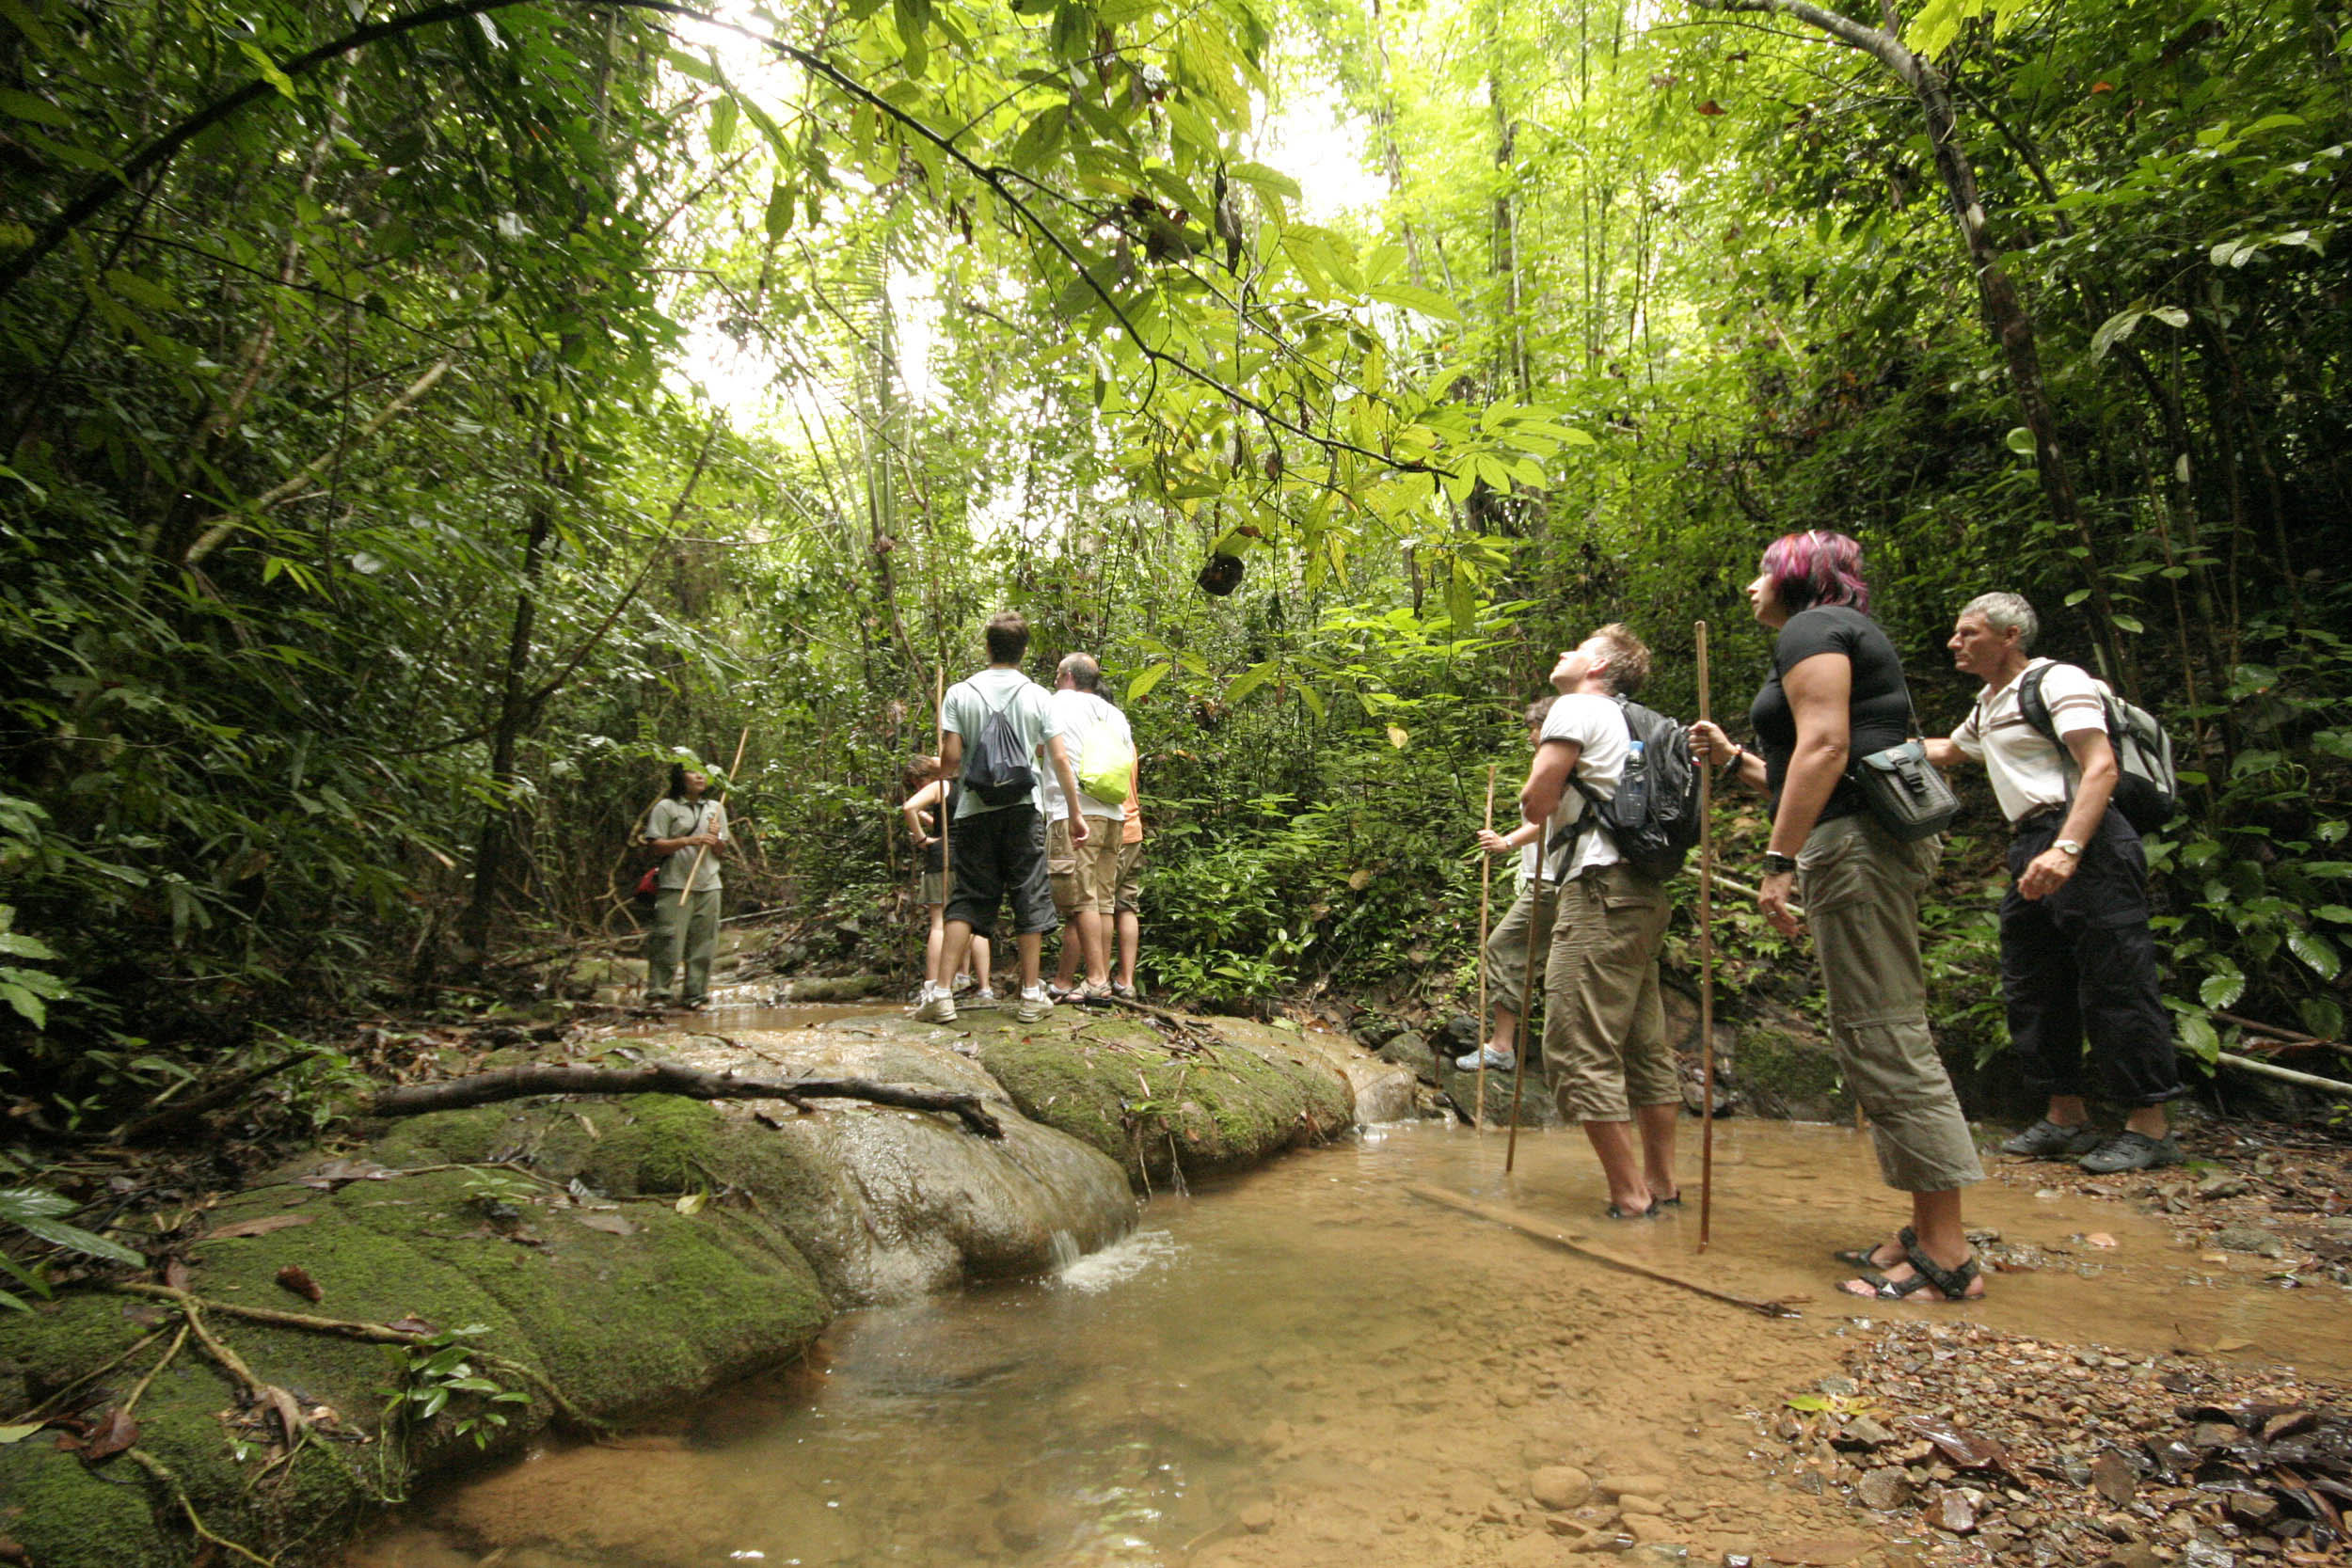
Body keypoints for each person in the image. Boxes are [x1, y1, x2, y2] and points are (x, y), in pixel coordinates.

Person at [1691, 531, 1986, 1301]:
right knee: (1875, 1031)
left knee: (1885, 1032)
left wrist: (1777, 863)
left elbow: (1825, 749)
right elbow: (1804, 770)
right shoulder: (1825, 632)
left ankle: (1948, 1256)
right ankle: (1925, 1227)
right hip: (1860, 838)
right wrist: (1733, 759)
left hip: (1855, 848)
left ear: (1794, 576)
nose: (1752, 586)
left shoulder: (1811, 627)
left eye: (1762, 571)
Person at [1923, 593, 2184, 1171]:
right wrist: (1862, 747)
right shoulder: (1991, 702)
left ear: (2010, 635)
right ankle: (2066, 1117)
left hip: (2086, 839)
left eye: (1968, 633)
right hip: (2029, 845)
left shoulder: (2058, 681)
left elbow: (2101, 766)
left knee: (2117, 978)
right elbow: (1950, 749)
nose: (1954, 642)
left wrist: (2069, 847)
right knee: (2033, 981)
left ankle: (2151, 1126)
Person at [1516, 626, 1682, 1220]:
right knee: (1642, 1043)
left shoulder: (1576, 707)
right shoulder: (1648, 721)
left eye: (1577, 647)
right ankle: (1661, 1183)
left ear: (1601, 665)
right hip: (1644, 892)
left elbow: (1538, 801)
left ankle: (1629, 1194)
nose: (1563, 653)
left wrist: (1531, 801)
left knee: (1575, 1041)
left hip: (1599, 890)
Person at [919, 611, 1089, 1025]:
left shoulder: (960, 692)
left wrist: (940, 769)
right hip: (1023, 809)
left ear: (988, 645)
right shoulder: (1037, 696)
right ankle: (1031, 995)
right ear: (1024, 650)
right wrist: (1075, 813)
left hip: (974, 811)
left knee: (967, 897)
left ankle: (941, 995)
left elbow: (953, 760)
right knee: (1029, 894)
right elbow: (1060, 758)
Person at [1458, 695, 1561, 1074]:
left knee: (1504, 948)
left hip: (1551, 882)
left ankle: (1502, 1046)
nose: (1530, 736)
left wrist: (1507, 842)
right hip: (1550, 879)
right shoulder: (1557, 760)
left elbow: (1549, 819)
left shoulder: (1563, 761)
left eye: (1533, 728)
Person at [1041, 653, 1134, 1002]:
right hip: (1112, 815)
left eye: (1056, 673)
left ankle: (1096, 981)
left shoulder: (1057, 704)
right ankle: (1100, 978)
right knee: (1104, 901)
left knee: (1082, 900)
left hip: (1075, 812)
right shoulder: (1115, 714)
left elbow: (1041, 748)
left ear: (1066, 676)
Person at [902, 756, 993, 1011]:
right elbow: (952, 823)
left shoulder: (939, 786)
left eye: (917, 781)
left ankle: (932, 986)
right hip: (970, 857)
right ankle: (984, 987)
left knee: (940, 923)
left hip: (943, 858)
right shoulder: (966, 784)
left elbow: (908, 807)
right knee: (973, 923)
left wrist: (921, 839)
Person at [642, 761, 729, 1010]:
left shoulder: (716, 808)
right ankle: (658, 994)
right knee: (668, 940)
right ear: (680, 777)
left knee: (704, 943)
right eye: (692, 772)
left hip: (710, 884)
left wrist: (715, 837)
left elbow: (721, 850)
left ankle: (696, 996)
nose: (700, 776)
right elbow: (655, 845)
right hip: (675, 883)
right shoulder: (666, 807)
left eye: (703, 772)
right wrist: (690, 840)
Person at [1112, 754, 1144, 1000]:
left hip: (1109, 828)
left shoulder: (1092, 736)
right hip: (1133, 828)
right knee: (1126, 904)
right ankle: (1126, 981)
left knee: (1098, 904)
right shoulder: (1126, 738)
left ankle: (1098, 977)